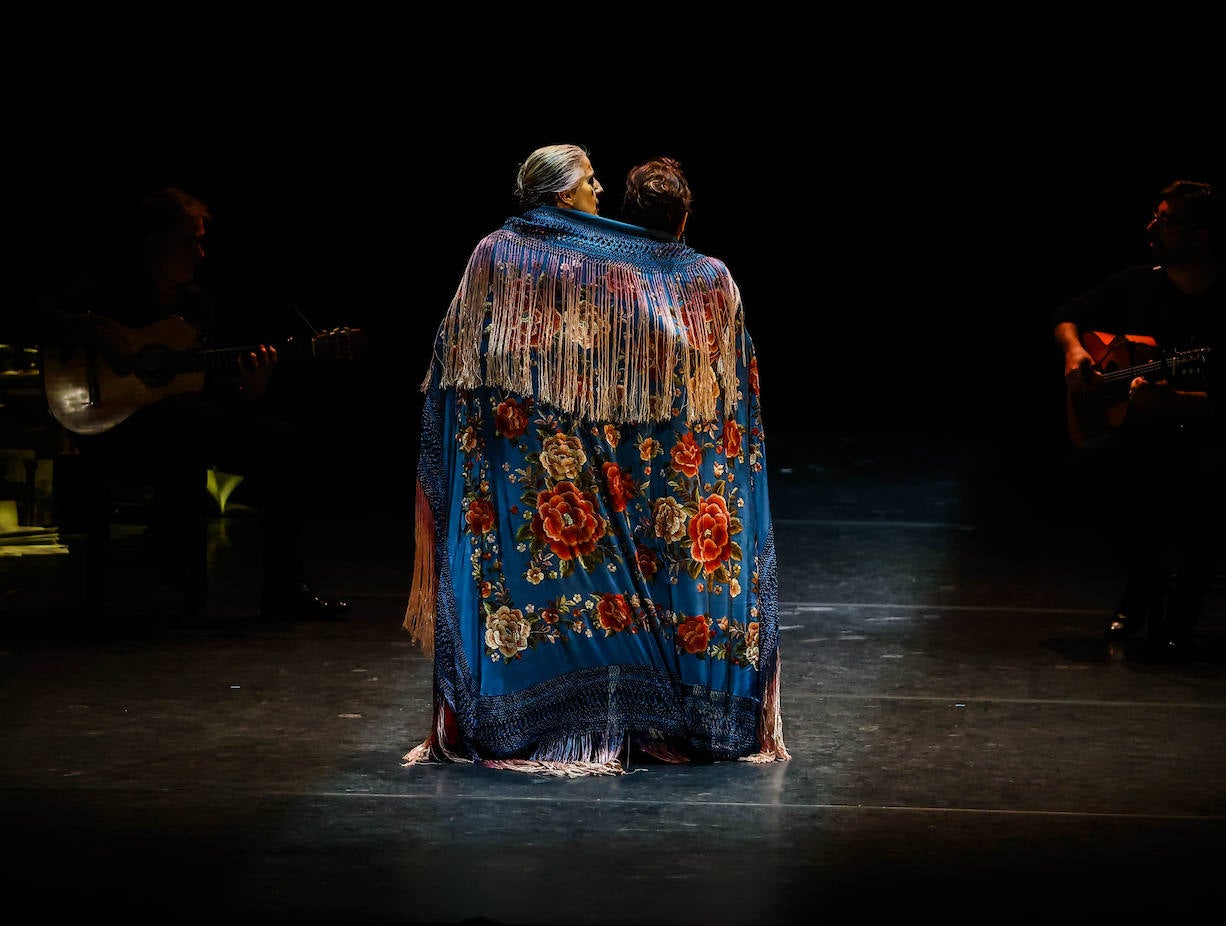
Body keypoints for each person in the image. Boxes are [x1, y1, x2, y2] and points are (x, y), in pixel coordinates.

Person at [402, 146, 788, 775]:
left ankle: (571, 713)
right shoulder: (620, 265)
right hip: (547, 450)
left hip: (534, 447)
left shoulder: (498, 254)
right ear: (560, 196)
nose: (599, 190)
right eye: (588, 182)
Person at [39, 186, 350, 620]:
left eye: (202, 240)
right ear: (154, 242)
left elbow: (210, 390)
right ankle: (167, 558)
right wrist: (92, 331)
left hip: (179, 425)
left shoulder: (196, 305)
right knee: (186, 424)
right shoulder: (107, 289)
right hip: (112, 425)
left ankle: (284, 589)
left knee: (280, 443)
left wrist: (253, 387)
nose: (200, 253)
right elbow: (39, 315)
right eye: (190, 241)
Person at [1051, 179, 1226, 660]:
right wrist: (1075, 351)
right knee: (1089, 466)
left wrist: (1178, 401)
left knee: (1214, 480)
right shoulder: (1138, 283)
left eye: (1165, 220)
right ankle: (1145, 580)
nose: (1151, 227)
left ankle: (1182, 610)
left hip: (1210, 434)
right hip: (1146, 432)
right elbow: (1067, 314)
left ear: (1201, 234)